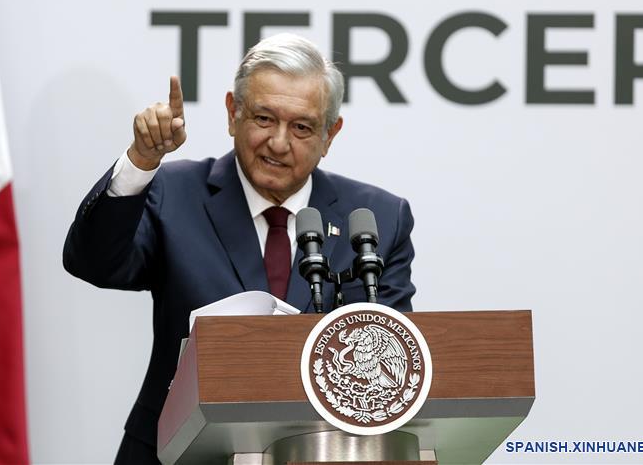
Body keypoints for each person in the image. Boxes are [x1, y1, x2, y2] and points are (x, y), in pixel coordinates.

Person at [63, 33, 416, 464]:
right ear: (233, 113)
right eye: (264, 119)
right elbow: (94, 263)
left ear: (330, 134)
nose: (279, 143)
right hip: (178, 454)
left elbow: (395, 364)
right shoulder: (174, 193)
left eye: (302, 127)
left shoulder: (377, 220)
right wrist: (140, 162)